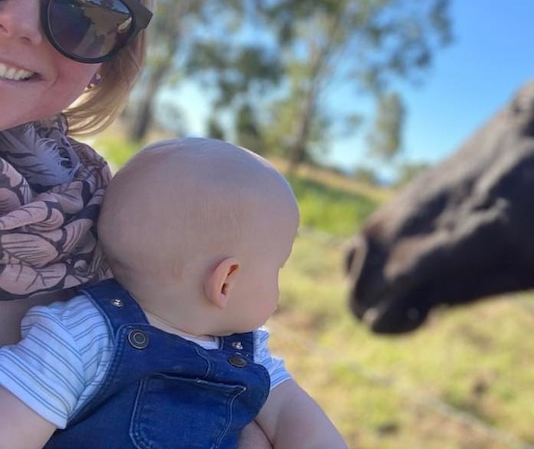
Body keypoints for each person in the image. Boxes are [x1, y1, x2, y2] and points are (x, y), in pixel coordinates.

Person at [0, 0, 321, 447]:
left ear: (106, 58)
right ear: (226, 280)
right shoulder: (78, 333)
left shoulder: (96, 218)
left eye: (87, 10)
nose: (21, 20)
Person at [0, 137, 349, 448]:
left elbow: (292, 413)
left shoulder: (251, 352)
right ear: (226, 281)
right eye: (279, 267)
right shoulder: (84, 335)